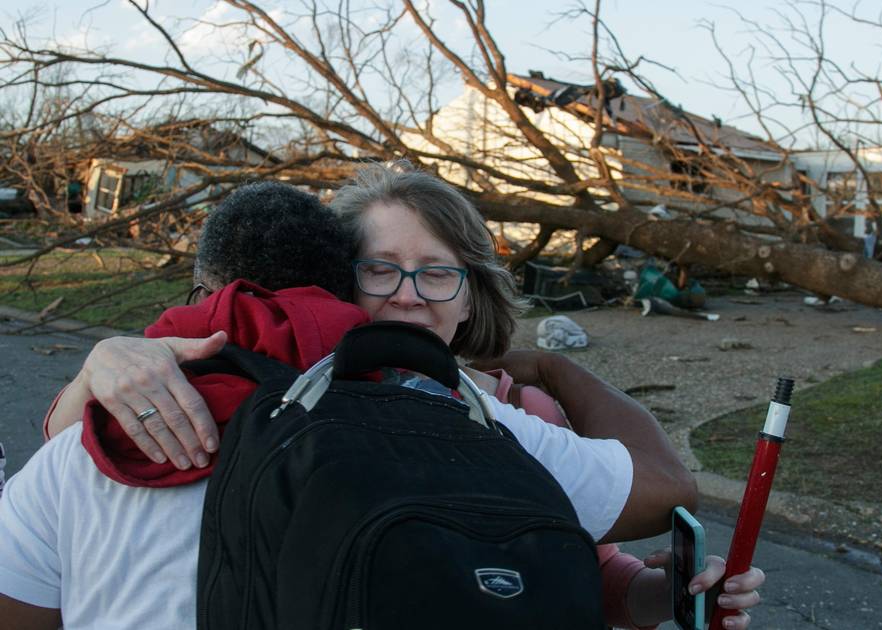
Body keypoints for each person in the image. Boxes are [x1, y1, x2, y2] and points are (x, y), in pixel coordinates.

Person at [32, 173, 763, 627]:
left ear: (470, 291)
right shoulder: (257, 401)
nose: (409, 297)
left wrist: (665, 596)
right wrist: (106, 362)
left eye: (435, 274)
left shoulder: (518, 415)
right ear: (329, 282)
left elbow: (584, 575)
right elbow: (70, 449)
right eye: (380, 270)